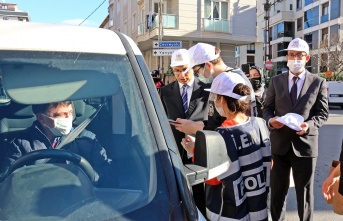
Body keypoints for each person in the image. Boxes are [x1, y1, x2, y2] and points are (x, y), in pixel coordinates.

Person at [182, 73, 271, 220]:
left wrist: (194, 150)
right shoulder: (260, 124)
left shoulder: (221, 134)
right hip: (259, 206)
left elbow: (213, 179)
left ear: (222, 99)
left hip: (230, 212)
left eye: (215, 98)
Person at [263, 38, 329, 221]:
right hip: (279, 146)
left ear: (307, 58)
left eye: (299, 55)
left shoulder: (318, 82)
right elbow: (267, 108)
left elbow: (322, 114)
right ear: (287, 57)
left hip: (306, 147)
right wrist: (270, 121)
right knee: (277, 192)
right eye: (292, 55)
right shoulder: (276, 81)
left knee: (305, 194)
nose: (295, 58)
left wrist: (309, 125)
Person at [0, 101, 116, 188]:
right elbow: (7, 181)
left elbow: (109, 173)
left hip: (78, 199)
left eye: (70, 113)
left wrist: (81, 178)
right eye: (59, 115)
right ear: (41, 118)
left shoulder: (87, 139)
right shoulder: (22, 143)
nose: (67, 119)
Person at [159, 48, 209, 215]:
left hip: (201, 149)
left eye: (185, 69)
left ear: (193, 67)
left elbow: (213, 121)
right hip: (175, 149)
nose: (181, 75)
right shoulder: (165, 91)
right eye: (177, 71)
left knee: (201, 195)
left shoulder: (207, 90)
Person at [174, 43, 257, 135]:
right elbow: (217, 120)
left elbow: (234, 124)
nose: (197, 75)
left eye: (197, 71)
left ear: (208, 65)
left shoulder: (231, 82)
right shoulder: (225, 79)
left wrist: (195, 127)